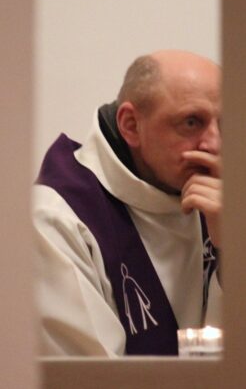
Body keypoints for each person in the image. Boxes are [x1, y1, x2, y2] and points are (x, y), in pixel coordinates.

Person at [32, 50, 223, 356]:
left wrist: (234, 255)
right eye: (191, 122)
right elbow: (89, 376)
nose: (214, 144)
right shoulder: (56, 218)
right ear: (131, 125)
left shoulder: (220, 197)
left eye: (223, 124)